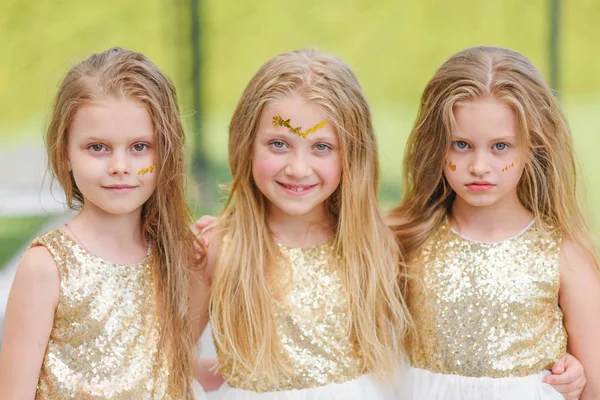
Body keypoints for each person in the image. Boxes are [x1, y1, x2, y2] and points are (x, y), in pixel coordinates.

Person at [189, 48, 412, 399]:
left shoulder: (375, 246)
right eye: (279, 144)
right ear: (246, 143)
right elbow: (172, 355)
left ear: (351, 154)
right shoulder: (217, 248)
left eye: (321, 147)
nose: (297, 168)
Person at [389, 45, 600, 399]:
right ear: (435, 145)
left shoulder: (564, 254)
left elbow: (594, 385)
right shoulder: (403, 240)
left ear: (533, 147)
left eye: (500, 146)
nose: (480, 166)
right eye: (461, 145)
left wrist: (574, 377)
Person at [0, 47, 205, 399]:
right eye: (98, 148)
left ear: (165, 151)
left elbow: (183, 368)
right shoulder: (46, 267)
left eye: (140, 147)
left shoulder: (179, 256)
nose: (120, 166)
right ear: (64, 152)